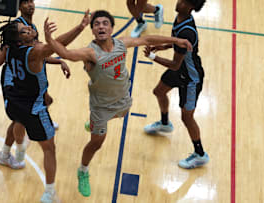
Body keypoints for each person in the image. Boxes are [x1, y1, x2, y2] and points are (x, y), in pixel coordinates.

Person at [43, 10, 192, 197]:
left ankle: (94, 124)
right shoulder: (91, 52)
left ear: (112, 28)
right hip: (101, 107)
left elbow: (147, 40)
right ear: (93, 31)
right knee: (97, 143)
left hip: (122, 100)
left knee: (123, 114)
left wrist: (176, 41)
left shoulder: (121, 43)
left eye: (105, 23)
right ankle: (83, 171)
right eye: (96, 24)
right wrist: (50, 40)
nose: (101, 26)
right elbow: (66, 53)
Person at [0, 10, 90, 203]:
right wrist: (80, 27)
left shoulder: (10, 49)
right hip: (33, 107)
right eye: (23, 31)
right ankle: (49, 192)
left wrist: (55, 58)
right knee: (49, 148)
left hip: (14, 98)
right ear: (20, 41)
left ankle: (13, 152)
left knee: (18, 120)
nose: (27, 27)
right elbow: (59, 45)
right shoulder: (33, 53)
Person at [0, 0, 71, 170]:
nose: (30, 5)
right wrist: (5, 51)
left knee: (43, 102)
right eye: (25, 2)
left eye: (31, 1)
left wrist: (57, 61)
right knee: (20, 119)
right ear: (18, 6)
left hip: (28, 79)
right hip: (15, 82)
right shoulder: (17, 30)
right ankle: (16, 151)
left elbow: (39, 54)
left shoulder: (29, 28)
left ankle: (33, 126)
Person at [143, 0, 209, 169]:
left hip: (190, 78)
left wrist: (152, 57)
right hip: (180, 70)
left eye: (184, 2)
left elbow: (174, 65)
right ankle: (165, 123)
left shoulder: (187, 31)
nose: (179, 2)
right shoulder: (181, 18)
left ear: (191, 7)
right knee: (159, 91)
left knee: (187, 117)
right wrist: (163, 46)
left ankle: (200, 154)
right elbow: (176, 43)